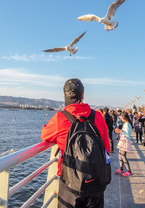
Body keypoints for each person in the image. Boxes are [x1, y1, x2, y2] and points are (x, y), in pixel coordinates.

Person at [41, 78, 110, 208]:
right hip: (96, 179)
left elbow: (44, 135)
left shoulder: (60, 118)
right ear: (82, 95)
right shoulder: (98, 117)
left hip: (70, 181)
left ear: (65, 95)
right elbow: (106, 147)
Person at [115, 112, 133, 177]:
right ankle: (121, 168)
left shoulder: (127, 124)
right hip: (123, 140)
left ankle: (129, 171)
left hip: (125, 141)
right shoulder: (126, 124)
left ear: (123, 117)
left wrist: (120, 131)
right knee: (120, 155)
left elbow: (127, 133)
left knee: (123, 155)